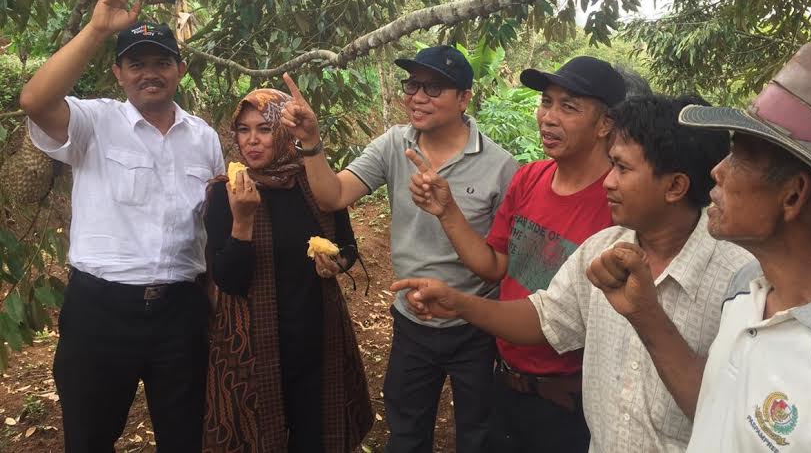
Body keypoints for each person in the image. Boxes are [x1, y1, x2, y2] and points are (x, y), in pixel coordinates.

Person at [393, 94, 752, 452]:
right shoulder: (601, 247)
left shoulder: (740, 282)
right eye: (612, 165)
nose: (608, 182)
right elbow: (545, 316)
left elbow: (732, 412)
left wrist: (648, 317)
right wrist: (460, 304)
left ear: (675, 186)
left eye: (623, 169)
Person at [597, 43, 811, 452]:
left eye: (741, 155)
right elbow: (718, 412)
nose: (717, 170)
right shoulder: (748, 287)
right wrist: (645, 315)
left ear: (793, 196)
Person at [19, 0, 224, 452]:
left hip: (181, 311)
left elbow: (209, 231)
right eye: (135, 63)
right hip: (100, 313)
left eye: (161, 62)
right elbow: (34, 100)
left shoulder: (204, 139)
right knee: (90, 438)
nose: (148, 72)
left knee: (186, 436)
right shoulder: (94, 122)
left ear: (180, 69)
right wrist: (95, 31)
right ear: (118, 73)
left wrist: (210, 305)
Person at [279, 45, 519, 453]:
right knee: (406, 431)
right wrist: (311, 142)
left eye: (434, 88)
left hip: (474, 324)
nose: (418, 97)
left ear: (465, 98)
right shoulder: (394, 144)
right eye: (412, 85)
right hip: (412, 321)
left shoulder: (500, 165)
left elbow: (500, 262)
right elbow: (333, 195)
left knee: (478, 434)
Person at [405, 56, 627, 452]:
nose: (548, 117)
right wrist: (447, 211)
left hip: (570, 402)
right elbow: (496, 267)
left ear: (605, 123)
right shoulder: (530, 178)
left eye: (569, 107)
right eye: (546, 101)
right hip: (507, 381)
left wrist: (461, 305)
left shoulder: (618, 204)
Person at [202, 88, 373, 453]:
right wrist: (242, 222)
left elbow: (347, 244)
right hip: (250, 346)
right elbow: (227, 279)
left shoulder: (314, 183)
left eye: (264, 129)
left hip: (316, 338)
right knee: (259, 438)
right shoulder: (226, 193)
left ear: (284, 133)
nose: (252, 141)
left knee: (318, 435)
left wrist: (337, 262)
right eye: (243, 130)